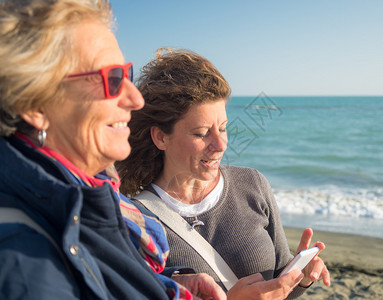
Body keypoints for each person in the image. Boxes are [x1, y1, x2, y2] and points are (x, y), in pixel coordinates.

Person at [0, 1, 226, 299]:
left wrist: (167, 285)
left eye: (126, 74)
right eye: (111, 80)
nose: (135, 99)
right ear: (34, 104)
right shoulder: (24, 259)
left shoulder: (90, 194)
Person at [116, 48, 331, 299]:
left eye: (223, 128)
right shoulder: (134, 220)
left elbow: (279, 287)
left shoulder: (253, 184)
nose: (220, 145)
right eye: (201, 133)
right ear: (161, 137)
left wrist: (300, 278)